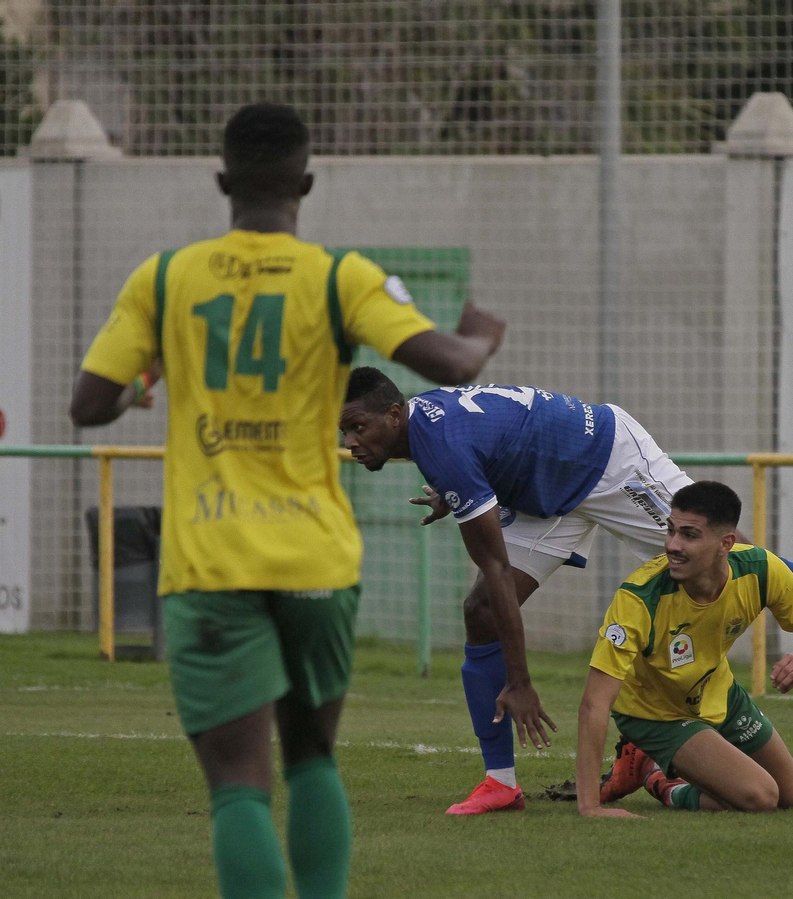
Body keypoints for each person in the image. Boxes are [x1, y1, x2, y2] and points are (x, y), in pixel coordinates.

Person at [69, 103, 504, 899]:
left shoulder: (165, 278)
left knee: (238, 780)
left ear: (222, 180)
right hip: (314, 559)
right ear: (305, 182)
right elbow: (450, 362)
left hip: (209, 561)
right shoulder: (339, 278)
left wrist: (147, 379)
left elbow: (87, 404)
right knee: (311, 759)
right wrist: (477, 334)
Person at [338, 369, 793, 816]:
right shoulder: (428, 430)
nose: (351, 441)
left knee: (741, 557)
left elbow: (493, 559)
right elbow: (484, 449)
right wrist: (455, 491)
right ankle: (502, 784)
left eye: (358, 428)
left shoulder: (440, 445)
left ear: (394, 415)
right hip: (550, 494)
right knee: (482, 614)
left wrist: (521, 684)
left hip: (605, 460)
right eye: (344, 431)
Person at [575, 481, 793, 816]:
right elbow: (594, 703)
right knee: (761, 797)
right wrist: (589, 807)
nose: (672, 545)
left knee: (791, 795)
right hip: (654, 714)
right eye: (671, 531)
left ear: (725, 543)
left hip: (718, 693)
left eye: (689, 535)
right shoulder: (639, 599)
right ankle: (664, 783)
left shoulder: (760, 569)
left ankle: (650, 767)